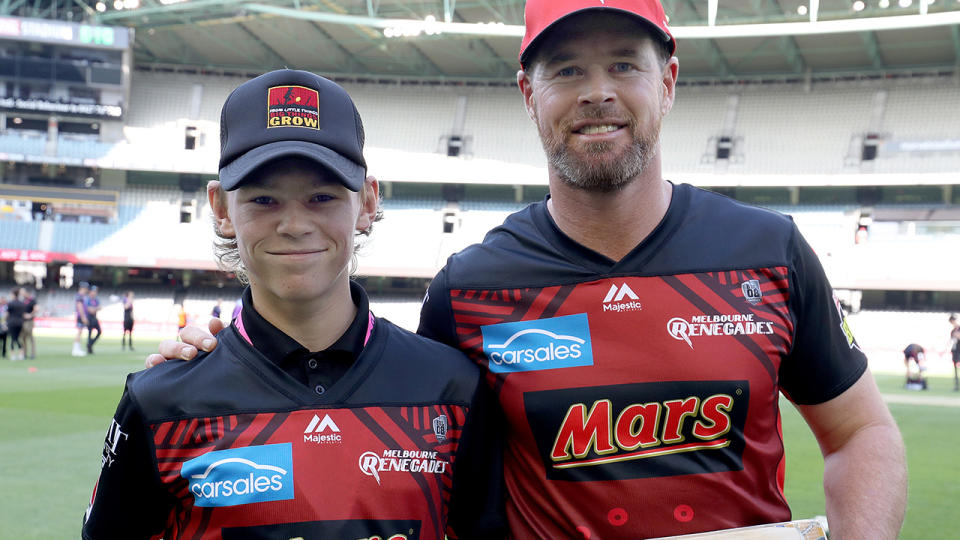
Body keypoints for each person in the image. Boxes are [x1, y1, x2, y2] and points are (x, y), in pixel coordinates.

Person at [148, 1, 907, 538]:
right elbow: (388, 408)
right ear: (528, 94)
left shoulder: (768, 252)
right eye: (568, 69)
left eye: (624, 65)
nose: (597, 91)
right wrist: (218, 361)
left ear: (668, 81)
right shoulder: (470, 290)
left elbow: (861, 433)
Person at [84, 69, 504, 540]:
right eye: (264, 200)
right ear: (221, 209)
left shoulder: (451, 386)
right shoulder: (161, 398)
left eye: (322, 197)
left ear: (367, 201)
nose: (294, 224)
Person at [5, 288, 26, 361]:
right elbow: (23, 314)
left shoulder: (10, 303)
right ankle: (21, 354)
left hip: (12, 323)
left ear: (13, 294)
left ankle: (13, 355)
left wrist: (5, 321)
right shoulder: (22, 303)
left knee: (13, 339)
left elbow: (7, 314)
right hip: (20, 323)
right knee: (16, 338)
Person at [72, 282, 90, 357]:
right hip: (80, 316)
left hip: (81, 316)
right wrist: (83, 317)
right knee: (79, 332)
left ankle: (78, 349)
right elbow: (80, 307)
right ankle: (75, 350)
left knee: (80, 332)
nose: (87, 290)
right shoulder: (79, 296)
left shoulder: (81, 296)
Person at [20, 287, 37, 359]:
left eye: (22, 292)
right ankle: (24, 353)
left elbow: (36, 309)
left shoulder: (32, 300)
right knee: (23, 338)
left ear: (26, 293)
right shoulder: (23, 300)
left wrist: (30, 315)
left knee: (30, 337)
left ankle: (33, 354)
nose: (21, 294)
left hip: (29, 322)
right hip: (22, 321)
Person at [85, 285, 102, 355]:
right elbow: (90, 310)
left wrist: (94, 309)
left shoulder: (96, 299)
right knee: (90, 333)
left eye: (96, 291)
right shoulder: (87, 299)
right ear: (90, 291)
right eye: (94, 291)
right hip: (89, 317)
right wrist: (95, 308)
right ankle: (89, 348)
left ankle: (90, 344)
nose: (95, 293)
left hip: (94, 318)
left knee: (99, 332)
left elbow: (100, 307)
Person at [950, 314, 960, 391]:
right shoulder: (953, 331)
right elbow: (952, 341)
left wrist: (958, 336)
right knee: (955, 368)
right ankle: (956, 385)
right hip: (955, 350)